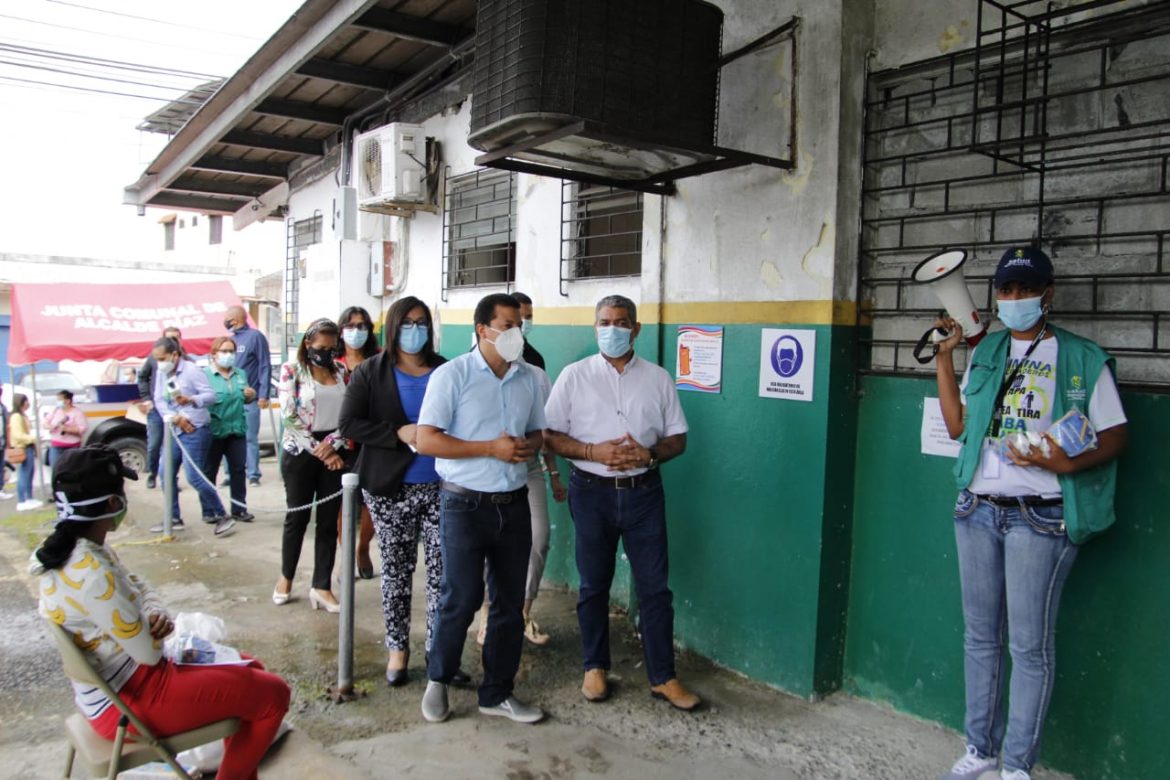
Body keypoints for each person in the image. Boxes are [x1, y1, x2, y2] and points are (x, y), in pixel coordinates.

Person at [935, 247, 1128, 780]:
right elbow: (957, 427)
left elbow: (1115, 434)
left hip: (1039, 517)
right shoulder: (988, 350)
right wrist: (946, 358)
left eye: (1024, 289)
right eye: (1005, 290)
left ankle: (1016, 765)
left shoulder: (1081, 357)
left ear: (1049, 293)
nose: (1014, 299)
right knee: (979, 638)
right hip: (976, 508)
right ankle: (980, 749)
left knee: (1029, 647)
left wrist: (1067, 461)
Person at [31, 445, 290, 780]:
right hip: (128, 701)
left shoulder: (67, 552)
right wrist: (151, 620)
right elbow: (149, 653)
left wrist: (148, 613)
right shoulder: (93, 572)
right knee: (273, 695)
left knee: (251, 668)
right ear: (113, 503)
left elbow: (141, 587)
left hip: (117, 688)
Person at [544, 294, 698, 711]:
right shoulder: (574, 377)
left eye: (621, 321)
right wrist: (595, 453)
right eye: (605, 322)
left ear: (636, 328)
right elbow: (551, 435)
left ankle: (663, 676)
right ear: (596, 327)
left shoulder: (659, 379)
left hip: (644, 494)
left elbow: (678, 438)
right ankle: (594, 666)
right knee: (593, 584)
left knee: (655, 588)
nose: (612, 329)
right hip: (591, 493)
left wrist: (648, 455)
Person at [416, 293, 548, 725]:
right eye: (507, 326)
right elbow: (427, 439)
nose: (516, 334)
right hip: (463, 503)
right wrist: (490, 448)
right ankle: (438, 679)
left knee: (509, 603)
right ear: (482, 330)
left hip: (513, 507)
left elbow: (539, 433)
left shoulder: (530, 378)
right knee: (462, 597)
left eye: (520, 326)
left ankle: (497, 692)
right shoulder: (452, 375)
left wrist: (530, 445)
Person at [339, 297, 470, 688]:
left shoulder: (448, 369)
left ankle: (438, 653)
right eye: (408, 322)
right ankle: (397, 649)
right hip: (390, 488)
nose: (415, 330)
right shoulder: (370, 372)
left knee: (443, 576)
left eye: (422, 323)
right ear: (394, 326)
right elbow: (349, 424)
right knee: (395, 573)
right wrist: (395, 433)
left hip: (442, 486)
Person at [474, 292, 566, 648]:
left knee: (538, 539)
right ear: (486, 329)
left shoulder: (536, 368)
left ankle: (522, 613)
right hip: (487, 469)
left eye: (524, 320)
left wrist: (554, 473)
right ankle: (488, 614)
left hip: (529, 469)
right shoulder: (469, 368)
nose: (520, 328)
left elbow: (545, 429)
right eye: (512, 322)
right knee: (490, 544)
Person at [273, 318, 350, 612]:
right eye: (321, 347)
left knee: (329, 522)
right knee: (298, 517)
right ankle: (286, 576)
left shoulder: (341, 370)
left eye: (332, 348)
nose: (327, 353)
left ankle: (322, 585)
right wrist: (321, 450)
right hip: (301, 451)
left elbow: (349, 413)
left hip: (335, 450)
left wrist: (333, 445)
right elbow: (289, 416)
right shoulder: (291, 371)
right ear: (308, 344)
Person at [150, 336, 234, 537]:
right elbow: (159, 400)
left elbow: (210, 396)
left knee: (194, 476)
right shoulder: (163, 373)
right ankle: (173, 517)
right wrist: (175, 417)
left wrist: (191, 400)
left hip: (195, 430)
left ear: (174, 355)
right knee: (165, 472)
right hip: (175, 429)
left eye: (162, 358)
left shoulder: (192, 371)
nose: (160, 363)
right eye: (157, 360)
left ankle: (222, 514)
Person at [335, 305, 378, 579]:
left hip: (373, 441)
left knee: (371, 503)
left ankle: (363, 547)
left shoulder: (380, 361)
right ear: (341, 330)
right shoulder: (333, 363)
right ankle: (347, 556)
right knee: (342, 503)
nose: (356, 331)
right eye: (350, 326)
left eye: (362, 326)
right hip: (340, 442)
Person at [204, 336, 256, 524]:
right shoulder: (205, 375)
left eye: (231, 351)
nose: (228, 355)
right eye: (224, 351)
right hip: (214, 430)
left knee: (238, 470)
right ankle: (210, 510)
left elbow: (245, 398)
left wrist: (251, 395)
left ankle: (239, 509)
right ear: (214, 354)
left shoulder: (240, 374)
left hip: (237, 429)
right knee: (209, 471)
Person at [223, 306, 272, 487]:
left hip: (250, 398)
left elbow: (264, 365)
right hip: (230, 399)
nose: (226, 321)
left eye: (228, 317)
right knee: (229, 436)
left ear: (236, 318)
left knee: (250, 437)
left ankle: (253, 475)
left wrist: (264, 394)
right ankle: (229, 474)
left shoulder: (255, 336)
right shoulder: (229, 341)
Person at [137, 326, 184, 490]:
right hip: (157, 408)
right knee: (154, 444)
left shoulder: (186, 361)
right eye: (170, 338)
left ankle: (171, 478)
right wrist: (147, 399)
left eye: (176, 338)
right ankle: (153, 474)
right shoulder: (154, 358)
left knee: (172, 446)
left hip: (177, 409)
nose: (173, 341)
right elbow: (142, 377)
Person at [8, 393, 41, 510]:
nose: (28, 403)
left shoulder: (22, 415)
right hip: (23, 447)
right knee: (24, 474)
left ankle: (29, 498)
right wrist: (33, 438)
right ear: (20, 402)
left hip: (28, 446)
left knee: (29, 473)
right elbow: (17, 435)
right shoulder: (16, 416)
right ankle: (23, 500)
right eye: (26, 401)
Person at [46, 390, 87, 468]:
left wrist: (67, 429)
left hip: (72, 447)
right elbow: (45, 422)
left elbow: (82, 428)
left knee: (71, 470)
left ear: (68, 401)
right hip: (56, 446)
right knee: (55, 469)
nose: (58, 402)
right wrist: (50, 426)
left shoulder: (77, 412)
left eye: (59, 400)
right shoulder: (56, 410)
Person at [511, 292, 545, 370]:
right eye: (519, 316)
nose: (524, 321)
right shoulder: (492, 355)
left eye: (528, 316)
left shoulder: (536, 359)